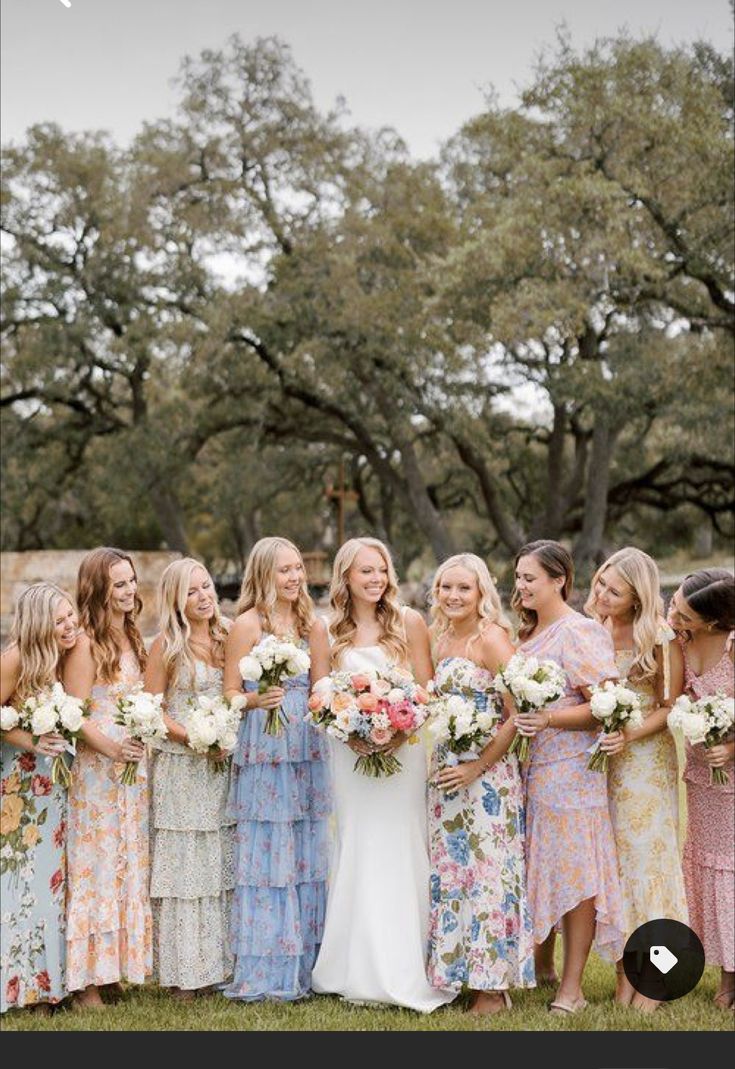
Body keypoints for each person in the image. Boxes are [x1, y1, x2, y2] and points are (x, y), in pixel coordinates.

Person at [311, 536, 454, 1012]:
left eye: (381, 570)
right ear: (345, 577)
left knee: (402, 844)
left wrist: (399, 727)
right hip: (348, 756)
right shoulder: (324, 629)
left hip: (404, 753)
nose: (375, 579)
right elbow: (318, 697)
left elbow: (426, 688)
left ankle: (408, 965)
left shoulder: (410, 622)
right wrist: (349, 731)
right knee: (358, 844)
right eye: (365, 571)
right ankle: (354, 967)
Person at [512, 540, 624, 1015]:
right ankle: (543, 967)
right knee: (542, 868)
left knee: (577, 880)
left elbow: (607, 707)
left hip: (574, 773)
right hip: (533, 772)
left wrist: (551, 720)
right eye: (517, 578)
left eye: (530, 578)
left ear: (559, 580)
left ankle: (572, 989)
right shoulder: (528, 635)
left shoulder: (579, 632)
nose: (520, 587)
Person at [223, 536, 331, 1001]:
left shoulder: (314, 625)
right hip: (264, 745)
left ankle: (309, 963)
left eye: (298, 569)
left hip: (305, 743)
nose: (294, 578)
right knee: (268, 855)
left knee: (306, 852)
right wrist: (254, 699)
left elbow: (322, 684)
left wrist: (325, 704)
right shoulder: (246, 625)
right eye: (284, 570)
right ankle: (267, 968)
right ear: (264, 574)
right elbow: (229, 692)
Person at [427, 554, 535, 1013]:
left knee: (488, 875)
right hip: (445, 775)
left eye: (463, 588)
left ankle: (493, 987)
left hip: (488, 779)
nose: (453, 596)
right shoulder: (438, 638)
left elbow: (518, 714)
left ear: (481, 593)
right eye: (445, 588)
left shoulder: (492, 639)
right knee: (453, 873)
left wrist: (478, 767)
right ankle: (457, 973)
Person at [586, 547, 687, 1011]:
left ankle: (660, 976)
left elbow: (670, 706)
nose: (603, 594)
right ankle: (627, 975)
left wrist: (630, 734)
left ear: (637, 596)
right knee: (616, 866)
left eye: (615, 590)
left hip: (646, 761)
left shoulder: (659, 636)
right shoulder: (593, 630)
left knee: (649, 861)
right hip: (607, 761)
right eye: (602, 583)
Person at [63, 547, 151, 1010]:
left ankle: (110, 967)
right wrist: (112, 747)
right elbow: (75, 717)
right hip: (97, 772)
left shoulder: (133, 636)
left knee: (125, 864)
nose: (129, 590)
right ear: (98, 589)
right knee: (95, 867)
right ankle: (84, 983)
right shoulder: (84, 642)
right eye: (119, 584)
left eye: (132, 581)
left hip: (132, 773)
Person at [145, 558, 235, 999]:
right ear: (176, 600)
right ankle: (185, 973)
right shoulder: (166, 646)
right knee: (186, 869)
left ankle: (222, 966)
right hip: (182, 767)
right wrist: (193, 738)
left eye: (207, 587)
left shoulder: (228, 636)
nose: (204, 598)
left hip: (224, 766)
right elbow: (152, 711)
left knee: (220, 861)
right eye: (192, 592)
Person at [1, 583, 77, 1014]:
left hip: (53, 787)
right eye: (60, 619)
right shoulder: (14, 659)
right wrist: (31, 741)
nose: (69, 626)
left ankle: (49, 985)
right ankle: (21, 989)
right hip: (20, 786)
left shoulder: (58, 659)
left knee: (50, 884)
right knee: (20, 882)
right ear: (38, 622)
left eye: (71, 617)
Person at [668, 568, 735, 1010]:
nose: (672, 610)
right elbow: (671, 700)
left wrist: (730, 748)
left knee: (730, 871)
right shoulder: (682, 646)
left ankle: (732, 982)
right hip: (701, 780)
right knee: (708, 870)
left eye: (682, 609)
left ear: (710, 621)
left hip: (731, 778)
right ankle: (721, 973)